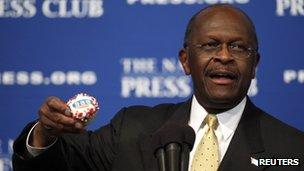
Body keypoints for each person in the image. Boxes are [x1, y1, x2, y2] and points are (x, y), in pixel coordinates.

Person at [13, 4, 304, 171]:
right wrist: (44, 133)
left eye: (239, 47)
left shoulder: (293, 148)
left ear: (255, 64)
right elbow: (52, 167)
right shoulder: (131, 129)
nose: (225, 56)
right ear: (186, 60)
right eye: (211, 45)